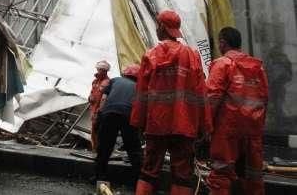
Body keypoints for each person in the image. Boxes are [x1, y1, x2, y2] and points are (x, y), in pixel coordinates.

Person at [131, 10, 211, 195]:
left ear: (161, 27)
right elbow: (201, 94)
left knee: (149, 171)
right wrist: (204, 126)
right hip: (185, 126)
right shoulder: (192, 56)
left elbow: (141, 94)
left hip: (156, 125)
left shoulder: (150, 55)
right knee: (182, 175)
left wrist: (138, 123)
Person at [206, 27, 268, 195]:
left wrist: (205, 128)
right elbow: (264, 99)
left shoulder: (222, 64)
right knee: (253, 177)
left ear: (222, 43)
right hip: (252, 130)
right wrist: (258, 128)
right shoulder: (258, 68)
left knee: (221, 175)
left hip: (228, 131)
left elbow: (211, 98)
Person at [95, 64, 142, 186]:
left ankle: (99, 177)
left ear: (125, 73)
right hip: (128, 115)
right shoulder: (139, 86)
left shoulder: (115, 80)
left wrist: (100, 115)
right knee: (133, 148)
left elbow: (104, 99)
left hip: (109, 112)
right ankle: (139, 181)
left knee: (105, 146)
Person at [89, 60, 111, 151]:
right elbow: (92, 92)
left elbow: (105, 98)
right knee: (93, 131)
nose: (99, 71)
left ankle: (99, 150)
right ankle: (95, 149)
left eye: (102, 70)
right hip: (93, 110)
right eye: (99, 69)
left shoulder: (107, 82)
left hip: (100, 111)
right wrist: (90, 97)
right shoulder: (95, 81)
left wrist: (99, 110)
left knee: (99, 131)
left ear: (105, 71)